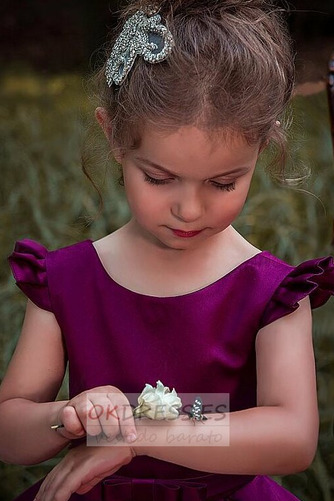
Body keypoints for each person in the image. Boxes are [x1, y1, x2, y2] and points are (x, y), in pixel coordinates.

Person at [1, 0, 334, 499]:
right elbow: (10, 430)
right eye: (159, 178)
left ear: (261, 150)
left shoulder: (273, 292)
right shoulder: (64, 280)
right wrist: (65, 417)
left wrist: (136, 432)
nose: (189, 210)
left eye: (223, 183)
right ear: (114, 137)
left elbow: (292, 439)